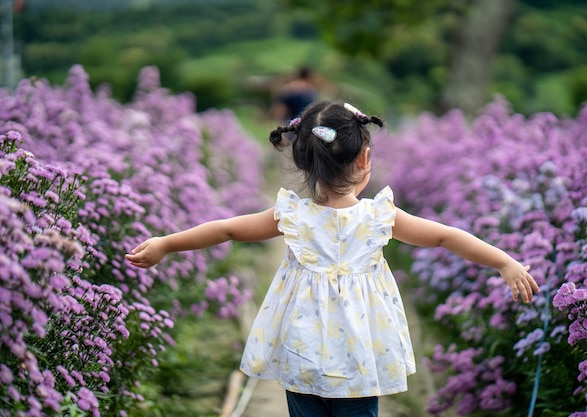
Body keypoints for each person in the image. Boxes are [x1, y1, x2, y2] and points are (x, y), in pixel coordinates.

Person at [125, 100, 540, 417]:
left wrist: (167, 242)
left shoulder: (292, 214)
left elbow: (226, 228)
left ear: (304, 160)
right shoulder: (381, 216)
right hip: (361, 356)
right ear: (364, 160)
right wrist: (503, 261)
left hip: (301, 350)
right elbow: (446, 237)